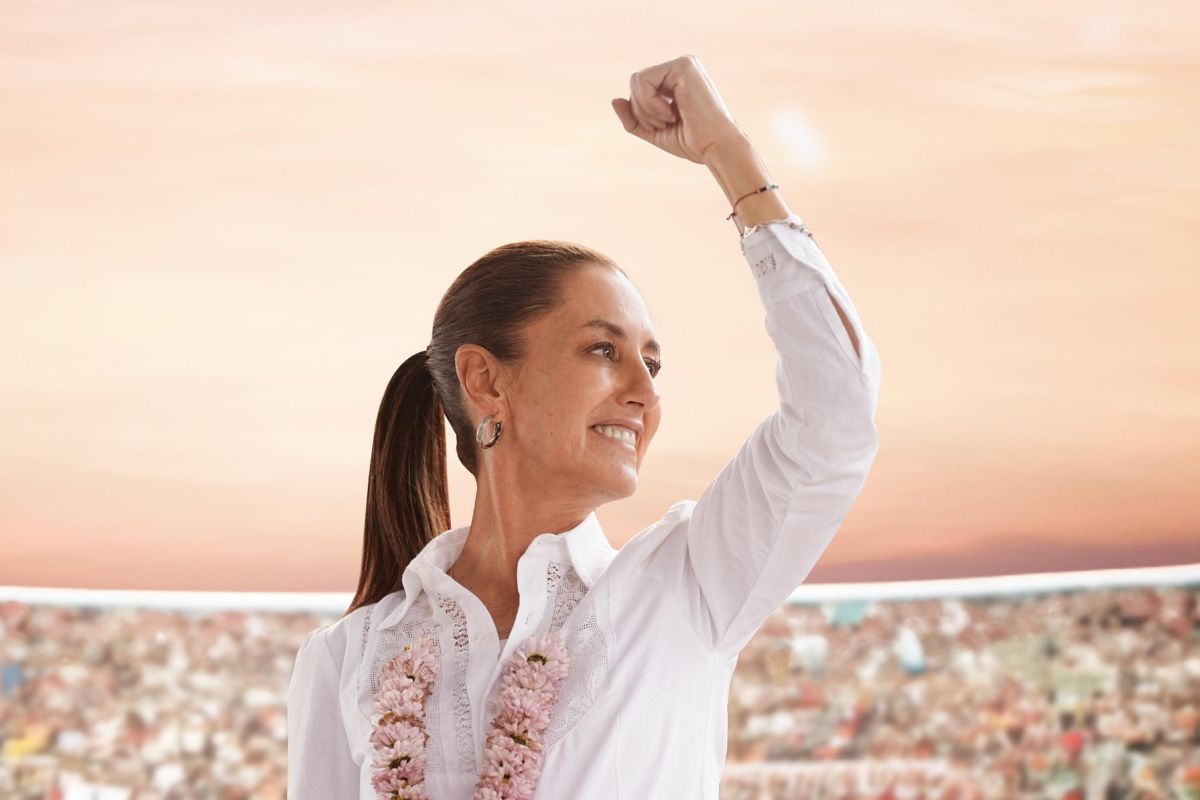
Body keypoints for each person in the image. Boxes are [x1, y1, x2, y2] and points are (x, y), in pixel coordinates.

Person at [287, 53, 882, 800]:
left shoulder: (689, 588)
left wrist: (729, 157)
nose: (642, 393)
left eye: (652, 365)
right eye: (604, 350)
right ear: (486, 380)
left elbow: (837, 410)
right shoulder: (350, 659)